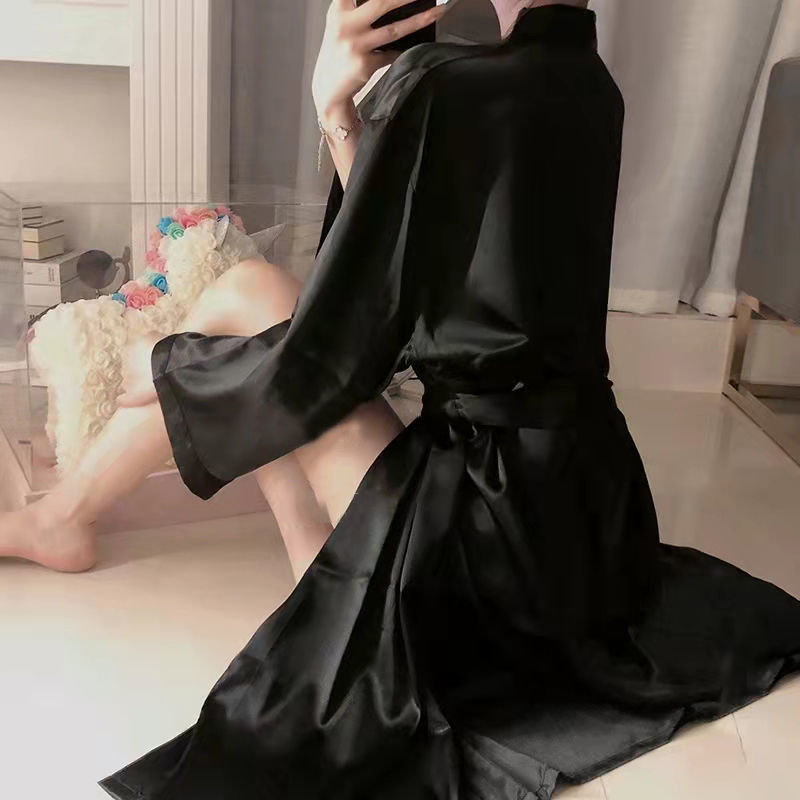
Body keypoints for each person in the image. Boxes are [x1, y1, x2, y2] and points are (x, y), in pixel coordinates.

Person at [16, 1, 800, 797]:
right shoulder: (585, 78)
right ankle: (103, 523)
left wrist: (175, 368)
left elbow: (346, 354)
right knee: (248, 310)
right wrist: (343, 121)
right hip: (583, 517)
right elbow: (423, 268)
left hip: (482, 535)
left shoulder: (447, 84)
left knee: (244, 317)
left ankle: (77, 522)